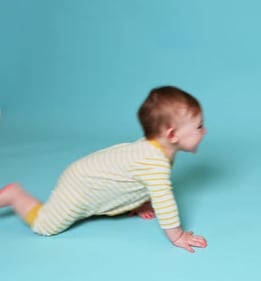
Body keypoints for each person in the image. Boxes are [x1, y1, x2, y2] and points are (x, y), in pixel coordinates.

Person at [0, 86, 208, 253]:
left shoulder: (153, 149)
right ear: (172, 135)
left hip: (86, 174)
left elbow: (132, 176)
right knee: (45, 226)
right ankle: (14, 196)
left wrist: (141, 201)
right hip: (80, 187)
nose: (204, 131)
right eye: (198, 126)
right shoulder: (156, 164)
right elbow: (164, 203)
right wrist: (178, 236)